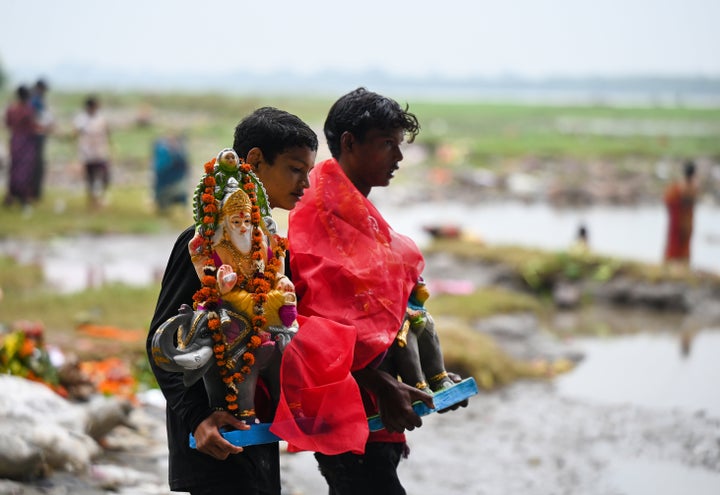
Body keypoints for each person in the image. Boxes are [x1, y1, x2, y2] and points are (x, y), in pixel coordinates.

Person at [271, 88, 464, 494]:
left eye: (399, 145)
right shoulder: (317, 213)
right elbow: (315, 323)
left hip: (379, 408)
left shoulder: (360, 214)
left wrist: (434, 381)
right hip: (348, 403)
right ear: (349, 143)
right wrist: (380, 385)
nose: (398, 157)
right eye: (386, 144)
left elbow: (388, 314)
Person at [146, 107, 318, 495]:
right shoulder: (204, 245)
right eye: (295, 169)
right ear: (255, 161)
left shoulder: (272, 246)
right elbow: (162, 340)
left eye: (308, 172)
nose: (305, 183)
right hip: (212, 436)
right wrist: (197, 419)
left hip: (256, 429)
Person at [3, 85, 39, 210]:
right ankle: (23, 198)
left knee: (14, 168)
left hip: (15, 140)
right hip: (26, 142)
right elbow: (32, 126)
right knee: (25, 170)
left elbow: (7, 123)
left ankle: (11, 196)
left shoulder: (11, 109)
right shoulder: (29, 110)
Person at [73, 95, 112, 208]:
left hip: (100, 151)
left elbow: (107, 131)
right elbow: (75, 133)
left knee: (104, 175)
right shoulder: (81, 119)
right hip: (87, 152)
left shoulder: (101, 118)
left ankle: (101, 196)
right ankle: (93, 200)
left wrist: (110, 146)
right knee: (90, 176)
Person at [663, 160, 698, 265]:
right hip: (686, 220)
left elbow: (667, 199)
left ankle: (674, 263)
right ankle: (681, 263)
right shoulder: (693, 187)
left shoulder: (678, 186)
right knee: (681, 244)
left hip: (680, 220)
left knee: (677, 243)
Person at [152, 133, 189, 213]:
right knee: (163, 199)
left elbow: (184, 167)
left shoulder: (178, 154)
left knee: (177, 197)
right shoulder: (163, 152)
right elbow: (160, 168)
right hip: (165, 181)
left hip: (174, 181)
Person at [30, 78, 53, 201]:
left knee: (36, 164)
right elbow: (37, 118)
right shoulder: (35, 100)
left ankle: (34, 192)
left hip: (38, 135)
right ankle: (34, 193)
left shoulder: (36, 99)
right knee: (36, 164)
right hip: (36, 136)